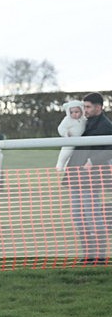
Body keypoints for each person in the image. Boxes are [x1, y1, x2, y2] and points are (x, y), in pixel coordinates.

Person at [64, 92, 112, 264]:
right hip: (76, 174)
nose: (85, 110)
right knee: (78, 215)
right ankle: (88, 255)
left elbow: (109, 149)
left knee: (92, 215)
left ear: (99, 107)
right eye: (84, 106)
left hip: (92, 177)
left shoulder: (106, 126)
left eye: (88, 107)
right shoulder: (82, 123)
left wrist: (92, 161)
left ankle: (100, 256)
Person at [55, 100, 86, 171]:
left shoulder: (84, 120)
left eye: (76, 112)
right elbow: (61, 128)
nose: (74, 114)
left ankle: (67, 166)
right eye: (71, 112)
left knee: (73, 155)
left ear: (82, 111)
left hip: (80, 141)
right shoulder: (67, 120)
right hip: (70, 140)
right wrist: (66, 133)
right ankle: (60, 164)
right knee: (65, 152)